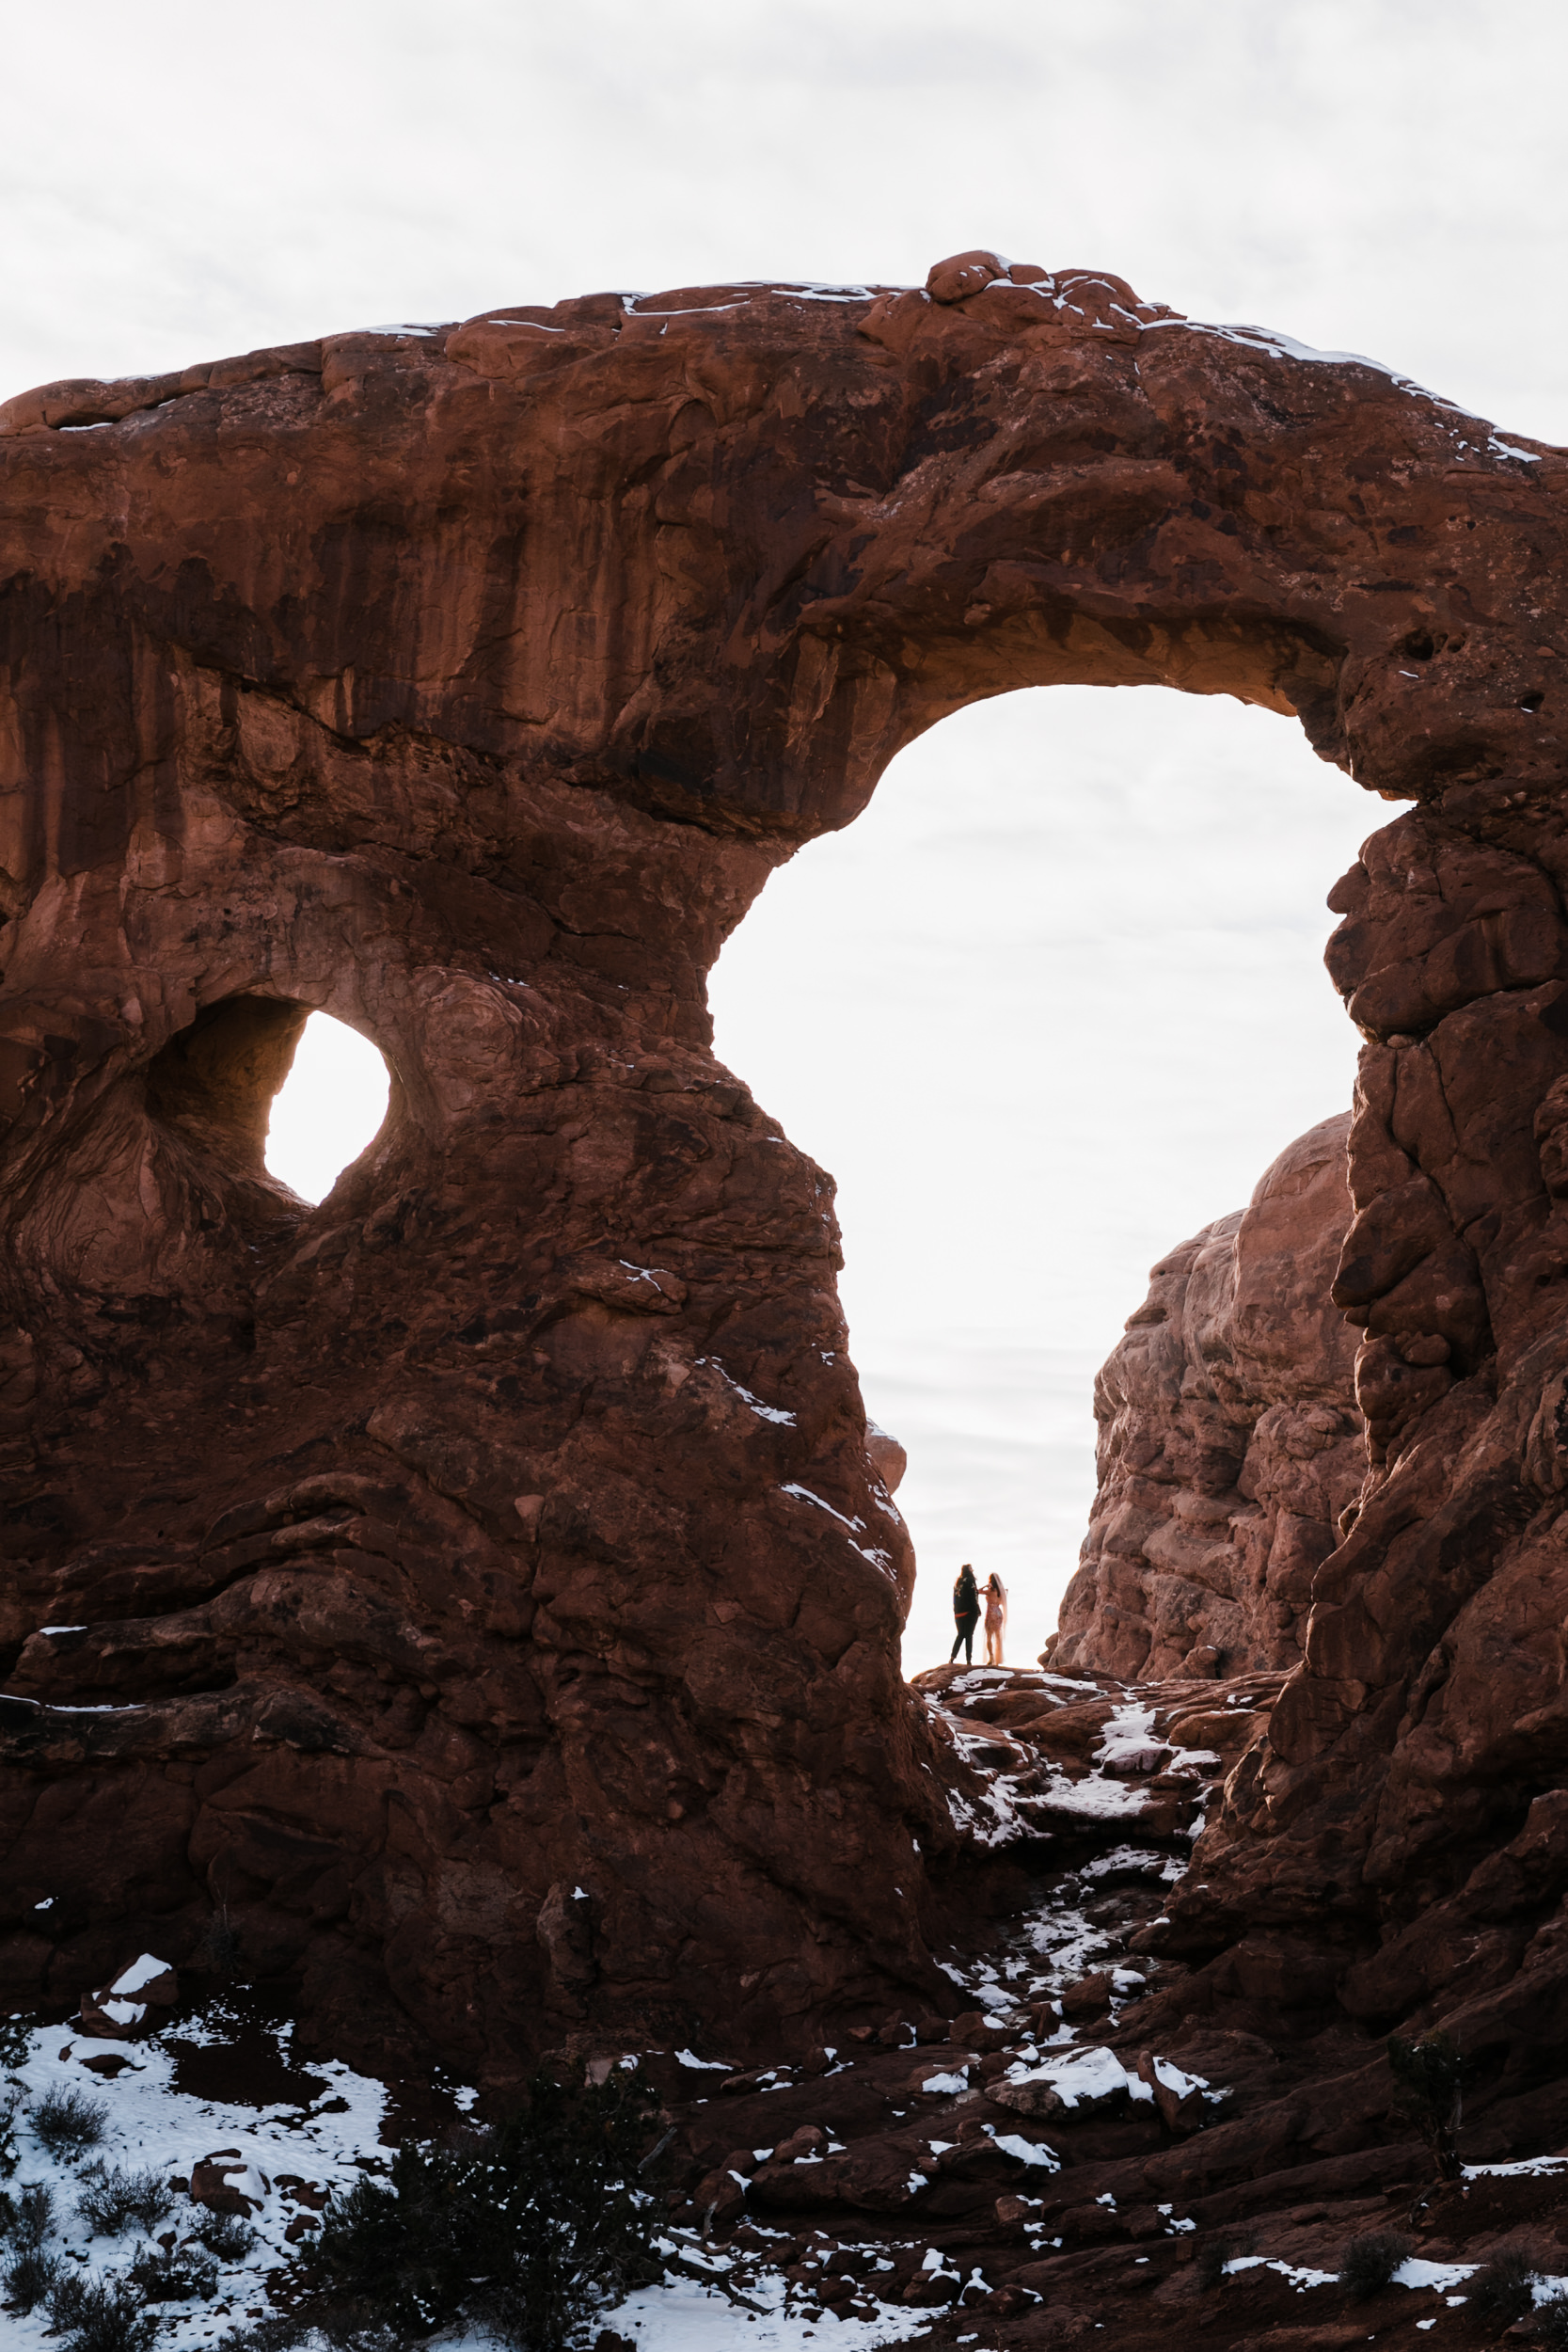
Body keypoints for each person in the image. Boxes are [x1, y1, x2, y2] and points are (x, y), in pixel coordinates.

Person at [950, 1563, 980, 1664]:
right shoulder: (970, 1581)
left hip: (958, 1613)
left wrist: (955, 1611)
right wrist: (977, 1609)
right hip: (969, 1612)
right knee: (969, 1635)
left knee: (960, 1635)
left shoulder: (958, 1582)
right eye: (971, 1569)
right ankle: (968, 1660)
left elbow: (955, 1598)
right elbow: (973, 1596)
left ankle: (952, 1657)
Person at [984, 1571, 1008, 1666]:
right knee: (998, 1636)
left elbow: (978, 1591)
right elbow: (1002, 1602)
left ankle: (991, 1657)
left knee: (989, 1636)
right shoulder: (1001, 1591)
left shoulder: (990, 1591)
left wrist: (986, 1586)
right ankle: (998, 1659)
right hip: (998, 1613)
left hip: (990, 1613)